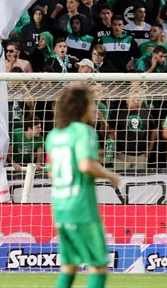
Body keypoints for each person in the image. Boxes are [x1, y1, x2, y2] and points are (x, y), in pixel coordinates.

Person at [45, 85, 119, 288]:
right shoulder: (84, 132)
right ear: (82, 107)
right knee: (98, 265)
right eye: (92, 104)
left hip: (59, 207)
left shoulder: (53, 136)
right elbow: (85, 164)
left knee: (69, 265)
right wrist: (110, 175)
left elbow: (51, 172)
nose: (94, 109)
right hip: (81, 208)